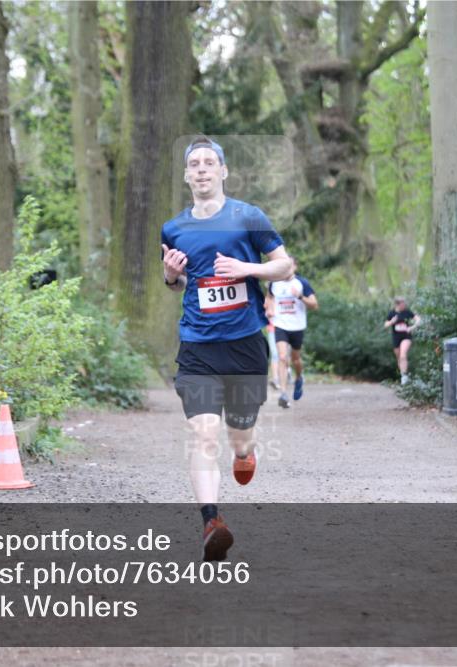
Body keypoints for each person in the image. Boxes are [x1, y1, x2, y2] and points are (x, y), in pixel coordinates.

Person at [160, 136, 292, 561]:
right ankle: (211, 522)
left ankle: (246, 451)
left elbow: (285, 265)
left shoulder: (247, 217)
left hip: (244, 346)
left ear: (222, 171)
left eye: (208, 162)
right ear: (186, 175)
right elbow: (182, 283)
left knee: (238, 437)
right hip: (198, 346)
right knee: (202, 433)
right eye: (194, 164)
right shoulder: (173, 228)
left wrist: (247, 269)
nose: (201, 169)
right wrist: (169, 275)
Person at [266, 258, 317, 407]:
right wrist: (269, 309)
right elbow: (269, 297)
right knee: (282, 357)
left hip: (297, 326)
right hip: (280, 324)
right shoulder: (274, 283)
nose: (287, 269)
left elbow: (314, 304)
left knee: (296, 359)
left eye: (290, 266)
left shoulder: (302, 283)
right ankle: (283, 394)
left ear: (295, 267)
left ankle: (299, 377)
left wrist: (300, 296)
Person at [384, 296, 422, 385]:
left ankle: (404, 377)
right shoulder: (392, 313)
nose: (404, 305)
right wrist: (391, 322)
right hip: (396, 337)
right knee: (399, 358)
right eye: (402, 304)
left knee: (403, 355)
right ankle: (402, 375)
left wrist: (412, 327)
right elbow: (385, 325)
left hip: (406, 336)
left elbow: (418, 319)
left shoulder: (407, 312)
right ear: (397, 304)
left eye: (404, 304)